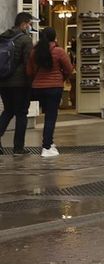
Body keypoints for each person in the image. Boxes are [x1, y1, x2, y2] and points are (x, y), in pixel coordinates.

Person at [25, 27, 72, 157]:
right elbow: (68, 68)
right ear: (54, 37)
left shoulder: (34, 52)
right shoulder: (59, 51)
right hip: (54, 87)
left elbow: (29, 71)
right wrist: (62, 78)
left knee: (44, 114)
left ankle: (48, 144)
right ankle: (47, 146)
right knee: (50, 117)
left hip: (37, 88)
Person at [0, 12, 36, 155]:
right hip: (20, 83)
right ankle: (18, 147)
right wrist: (31, 81)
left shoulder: (3, 37)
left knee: (8, 111)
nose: (30, 27)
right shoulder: (25, 39)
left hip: (3, 81)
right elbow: (29, 63)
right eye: (30, 24)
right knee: (21, 113)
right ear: (24, 24)